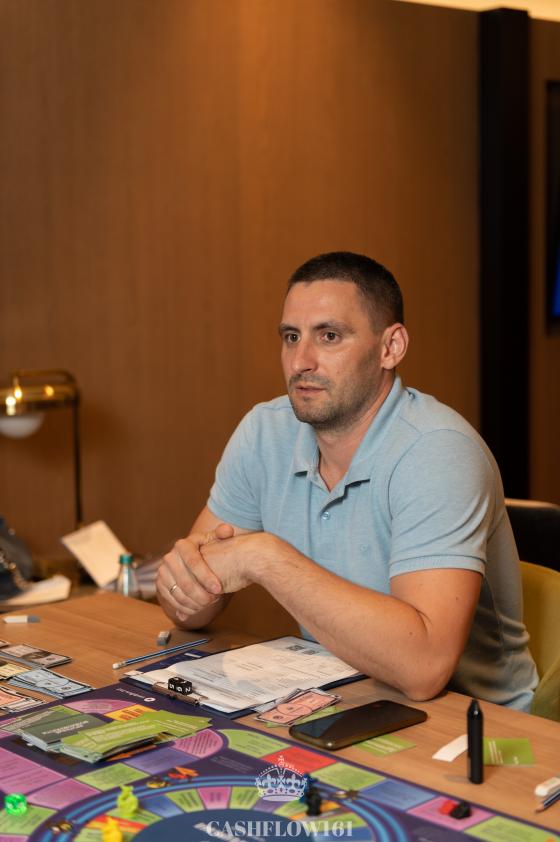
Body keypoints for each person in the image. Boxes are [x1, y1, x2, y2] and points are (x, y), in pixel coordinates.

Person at [157, 251, 538, 710]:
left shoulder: (439, 451)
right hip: (345, 696)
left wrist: (263, 557)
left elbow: (424, 669)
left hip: (476, 722)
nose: (301, 361)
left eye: (329, 336)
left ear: (391, 347)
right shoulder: (264, 432)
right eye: (291, 337)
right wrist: (185, 586)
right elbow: (190, 607)